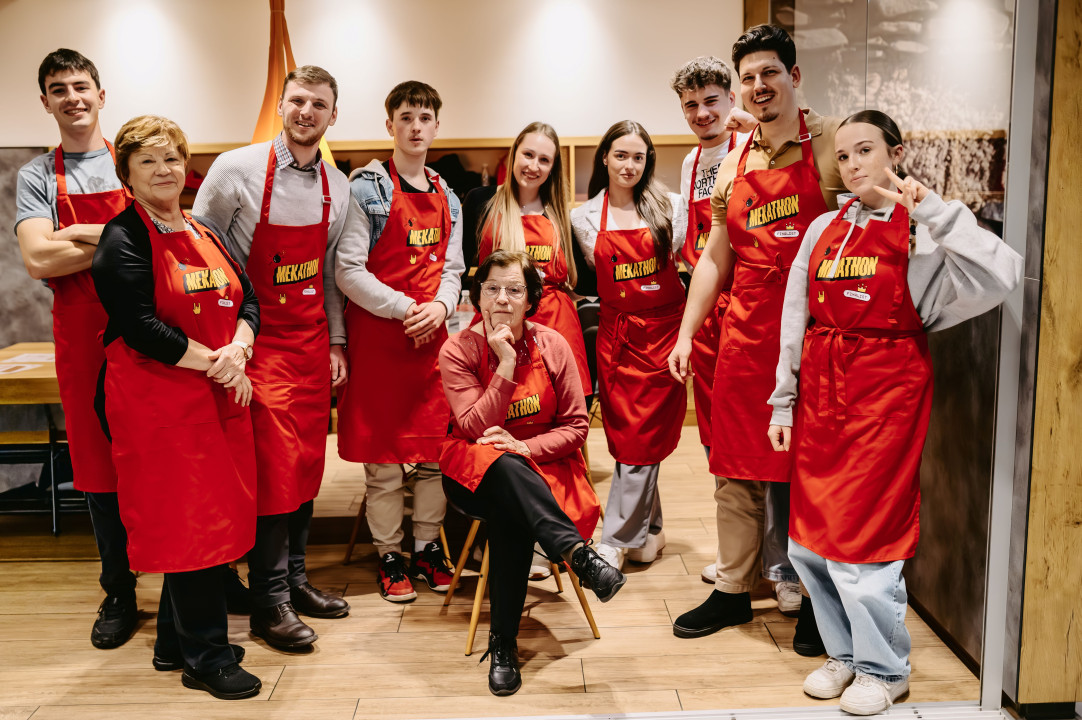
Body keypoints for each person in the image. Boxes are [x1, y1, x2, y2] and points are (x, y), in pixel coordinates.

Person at [766, 110, 1022, 714]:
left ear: (895, 154)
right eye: (844, 155)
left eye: (865, 150)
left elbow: (1004, 273)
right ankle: (846, 653)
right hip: (821, 398)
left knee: (866, 540)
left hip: (886, 399)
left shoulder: (922, 230)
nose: (853, 165)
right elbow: (795, 317)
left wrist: (934, 209)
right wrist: (783, 401)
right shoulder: (823, 227)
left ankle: (885, 669)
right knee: (809, 544)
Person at [667, 24, 844, 647]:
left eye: (770, 72)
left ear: (793, 76)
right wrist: (686, 334)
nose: (759, 85)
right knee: (735, 469)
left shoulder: (833, 143)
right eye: (749, 77)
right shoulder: (735, 161)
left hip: (813, 339)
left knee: (808, 473)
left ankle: (818, 601)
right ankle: (733, 590)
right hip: (745, 336)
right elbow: (716, 257)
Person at [92, 115, 262, 699]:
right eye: (148, 161)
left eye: (171, 158)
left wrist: (239, 349)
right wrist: (219, 363)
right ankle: (207, 659)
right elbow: (141, 327)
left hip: (213, 400)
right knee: (188, 526)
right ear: (127, 175)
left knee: (208, 519)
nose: (163, 169)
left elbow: (249, 298)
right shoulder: (122, 239)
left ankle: (173, 642)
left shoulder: (202, 229)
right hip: (158, 408)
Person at [192, 65, 352, 650]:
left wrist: (336, 342)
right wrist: (223, 343)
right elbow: (199, 254)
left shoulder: (339, 187)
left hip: (310, 346)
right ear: (281, 105)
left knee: (306, 468)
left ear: (333, 115)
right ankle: (269, 600)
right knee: (275, 473)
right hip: (255, 344)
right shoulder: (235, 169)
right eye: (298, 101)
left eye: (319, 104)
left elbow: (329, 275)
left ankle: (297, 581)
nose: (307, 112)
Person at [439, 249, 625, 696]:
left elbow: (577, 427)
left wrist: (526, 448)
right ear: (478, 296)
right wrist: (505, 363)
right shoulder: (458, 349)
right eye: (492, 288)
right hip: (473, 469)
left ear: (530, 299)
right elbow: (474, 428)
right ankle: (579, 555)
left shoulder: (553, 345)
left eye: (514, 289)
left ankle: (502, 644)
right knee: (502, 465)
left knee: (512, 506)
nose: (502, 298)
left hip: (541, 466)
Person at [14, 49, 138, 649]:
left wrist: (78, 235)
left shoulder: (132, 160)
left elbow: (161, 240)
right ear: (46, 102)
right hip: (81, 337)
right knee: (97, 464)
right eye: (59, 89)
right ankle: (119, 591)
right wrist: (123, 242)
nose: (73, 97)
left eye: (81, 85)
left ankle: (199, 577)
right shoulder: (37, 175)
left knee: (165, 453)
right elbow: (39, 259)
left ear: (101, 94)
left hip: (144, 330)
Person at [336, 80, 463, 602]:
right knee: (385, 466)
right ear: (389, 125)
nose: (415, 127)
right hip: (379, 343)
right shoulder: (365, 188)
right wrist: (406, 307)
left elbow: (453, 270)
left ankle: (428, 551)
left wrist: (441, 307)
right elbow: (348, 270)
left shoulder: (448, 194)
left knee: (434, 457)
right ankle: (389, 556)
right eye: (406, 117)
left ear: (436, 126)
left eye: (424, 118)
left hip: (431, 345)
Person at [669, 56, 783, 599]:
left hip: (752, 307)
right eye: (690, 105)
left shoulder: (754, 149)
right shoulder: (691, 161)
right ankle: (738, 557)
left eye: (711, 100)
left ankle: (780, 566)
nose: (701, 113)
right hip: (709, 311)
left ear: (731, 99)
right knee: (720, 441)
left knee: (769, 439)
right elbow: (700, 246)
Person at [571, 121, 688, 571]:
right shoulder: (584, 217)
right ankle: (651, 532)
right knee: (627, 438)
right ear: (604, 157)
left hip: (664, 338)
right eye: (620, 155)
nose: (629, 165)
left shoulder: (671, 207)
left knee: (644, 436)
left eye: (638, 157)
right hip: (618, 339)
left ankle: (615, 540)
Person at [463, 122, 591, 398]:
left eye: (544, 160)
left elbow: (585, 280)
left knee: (562, 408)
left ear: (552, 168)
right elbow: (460, 269)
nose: (534, 166)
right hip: (497, 322)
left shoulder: (559, 214)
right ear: (514, 154)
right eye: (528, 155)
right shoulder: (481, 201)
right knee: (496, 405)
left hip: (555, 325)